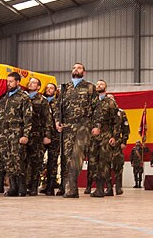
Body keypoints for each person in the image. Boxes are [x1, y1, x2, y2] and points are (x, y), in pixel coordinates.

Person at [54, 63, 100, 198]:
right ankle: (67, 187)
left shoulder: (90, 87)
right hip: (67, 126)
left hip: (83, 125)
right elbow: (58, 106)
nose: (76, 69)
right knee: (66, 157)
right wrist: (57, 121)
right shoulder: (64, 88)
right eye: (74, 68)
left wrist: (96, 125)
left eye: (79, 68)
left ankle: (72, 189)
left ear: (84, 72)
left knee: (77, 156)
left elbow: (97, 108)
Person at [0, 72, 32, 197]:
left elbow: (28, 118)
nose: (9, 84)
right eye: (8, 81)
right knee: (8, 160)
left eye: (11, 81)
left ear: (17, 82)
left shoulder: (23, 97)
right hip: (4, 135)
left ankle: (22, 187)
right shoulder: (4, 98)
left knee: (18, 160)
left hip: (17, 133)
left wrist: (25, 135)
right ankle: (13, 186)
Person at [88, 79, 120, 197]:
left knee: (104, 163)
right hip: (93, 137)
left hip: (106, 136)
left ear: (105, 88)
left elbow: (116, 121)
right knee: (93, 162)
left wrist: (114, 136)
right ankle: (106, 188)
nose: (98, 85)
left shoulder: (110, 102)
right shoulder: (92, 102)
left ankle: (101, 189)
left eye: (101, 84)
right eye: (97, 84)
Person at [23, 77, 52, 196]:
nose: (31, 84)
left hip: (37, 134)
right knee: (23, 161)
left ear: (39, 87)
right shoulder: (23, 98)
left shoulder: (42, 100)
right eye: (30, 82)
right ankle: (24, 185)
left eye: (34, 82)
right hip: (24, 134)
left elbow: (47, 119)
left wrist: (47, 135)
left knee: (36, 161)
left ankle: (33, 186)